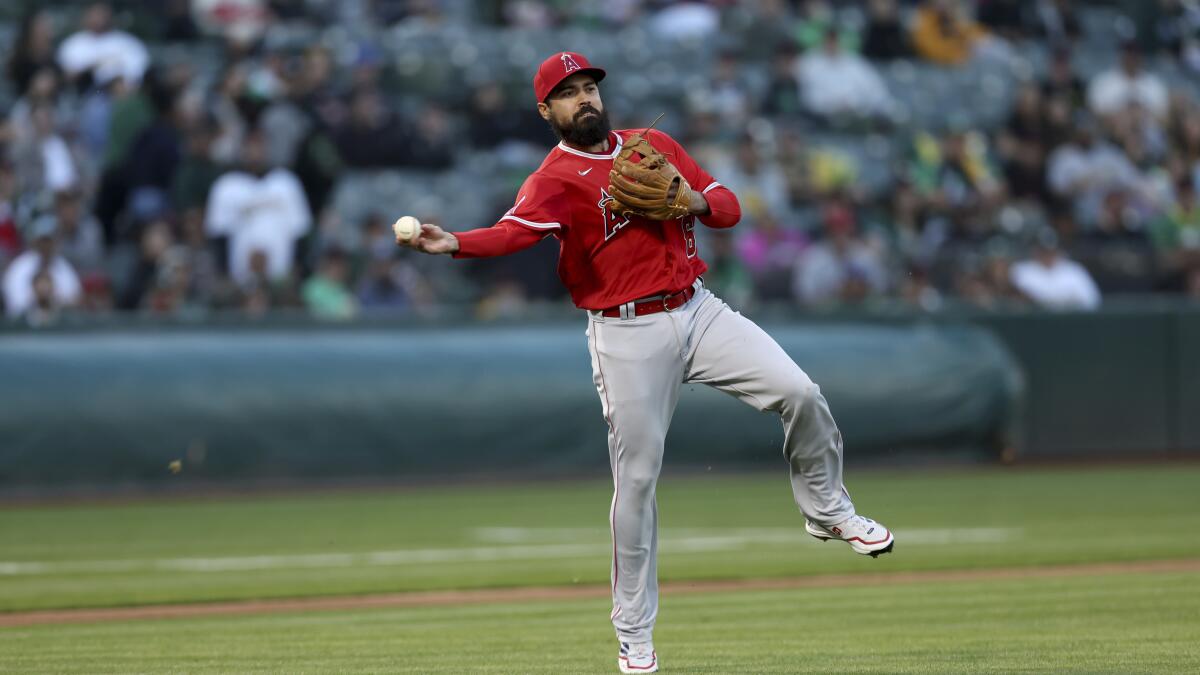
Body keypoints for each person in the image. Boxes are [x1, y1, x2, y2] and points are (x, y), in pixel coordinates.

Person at [394, 51, 894, 675]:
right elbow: (513, 232)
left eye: (590, 88)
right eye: (569, 93)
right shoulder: (553, 179)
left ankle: (828, 511)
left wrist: (693, 201)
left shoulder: (652, 145)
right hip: (626, 332)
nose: (585, 100)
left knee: (799, 391)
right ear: (546, 110)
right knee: (636, 481)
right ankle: (634, 635)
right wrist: (455, 243)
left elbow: (730, 207)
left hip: (698, 309)